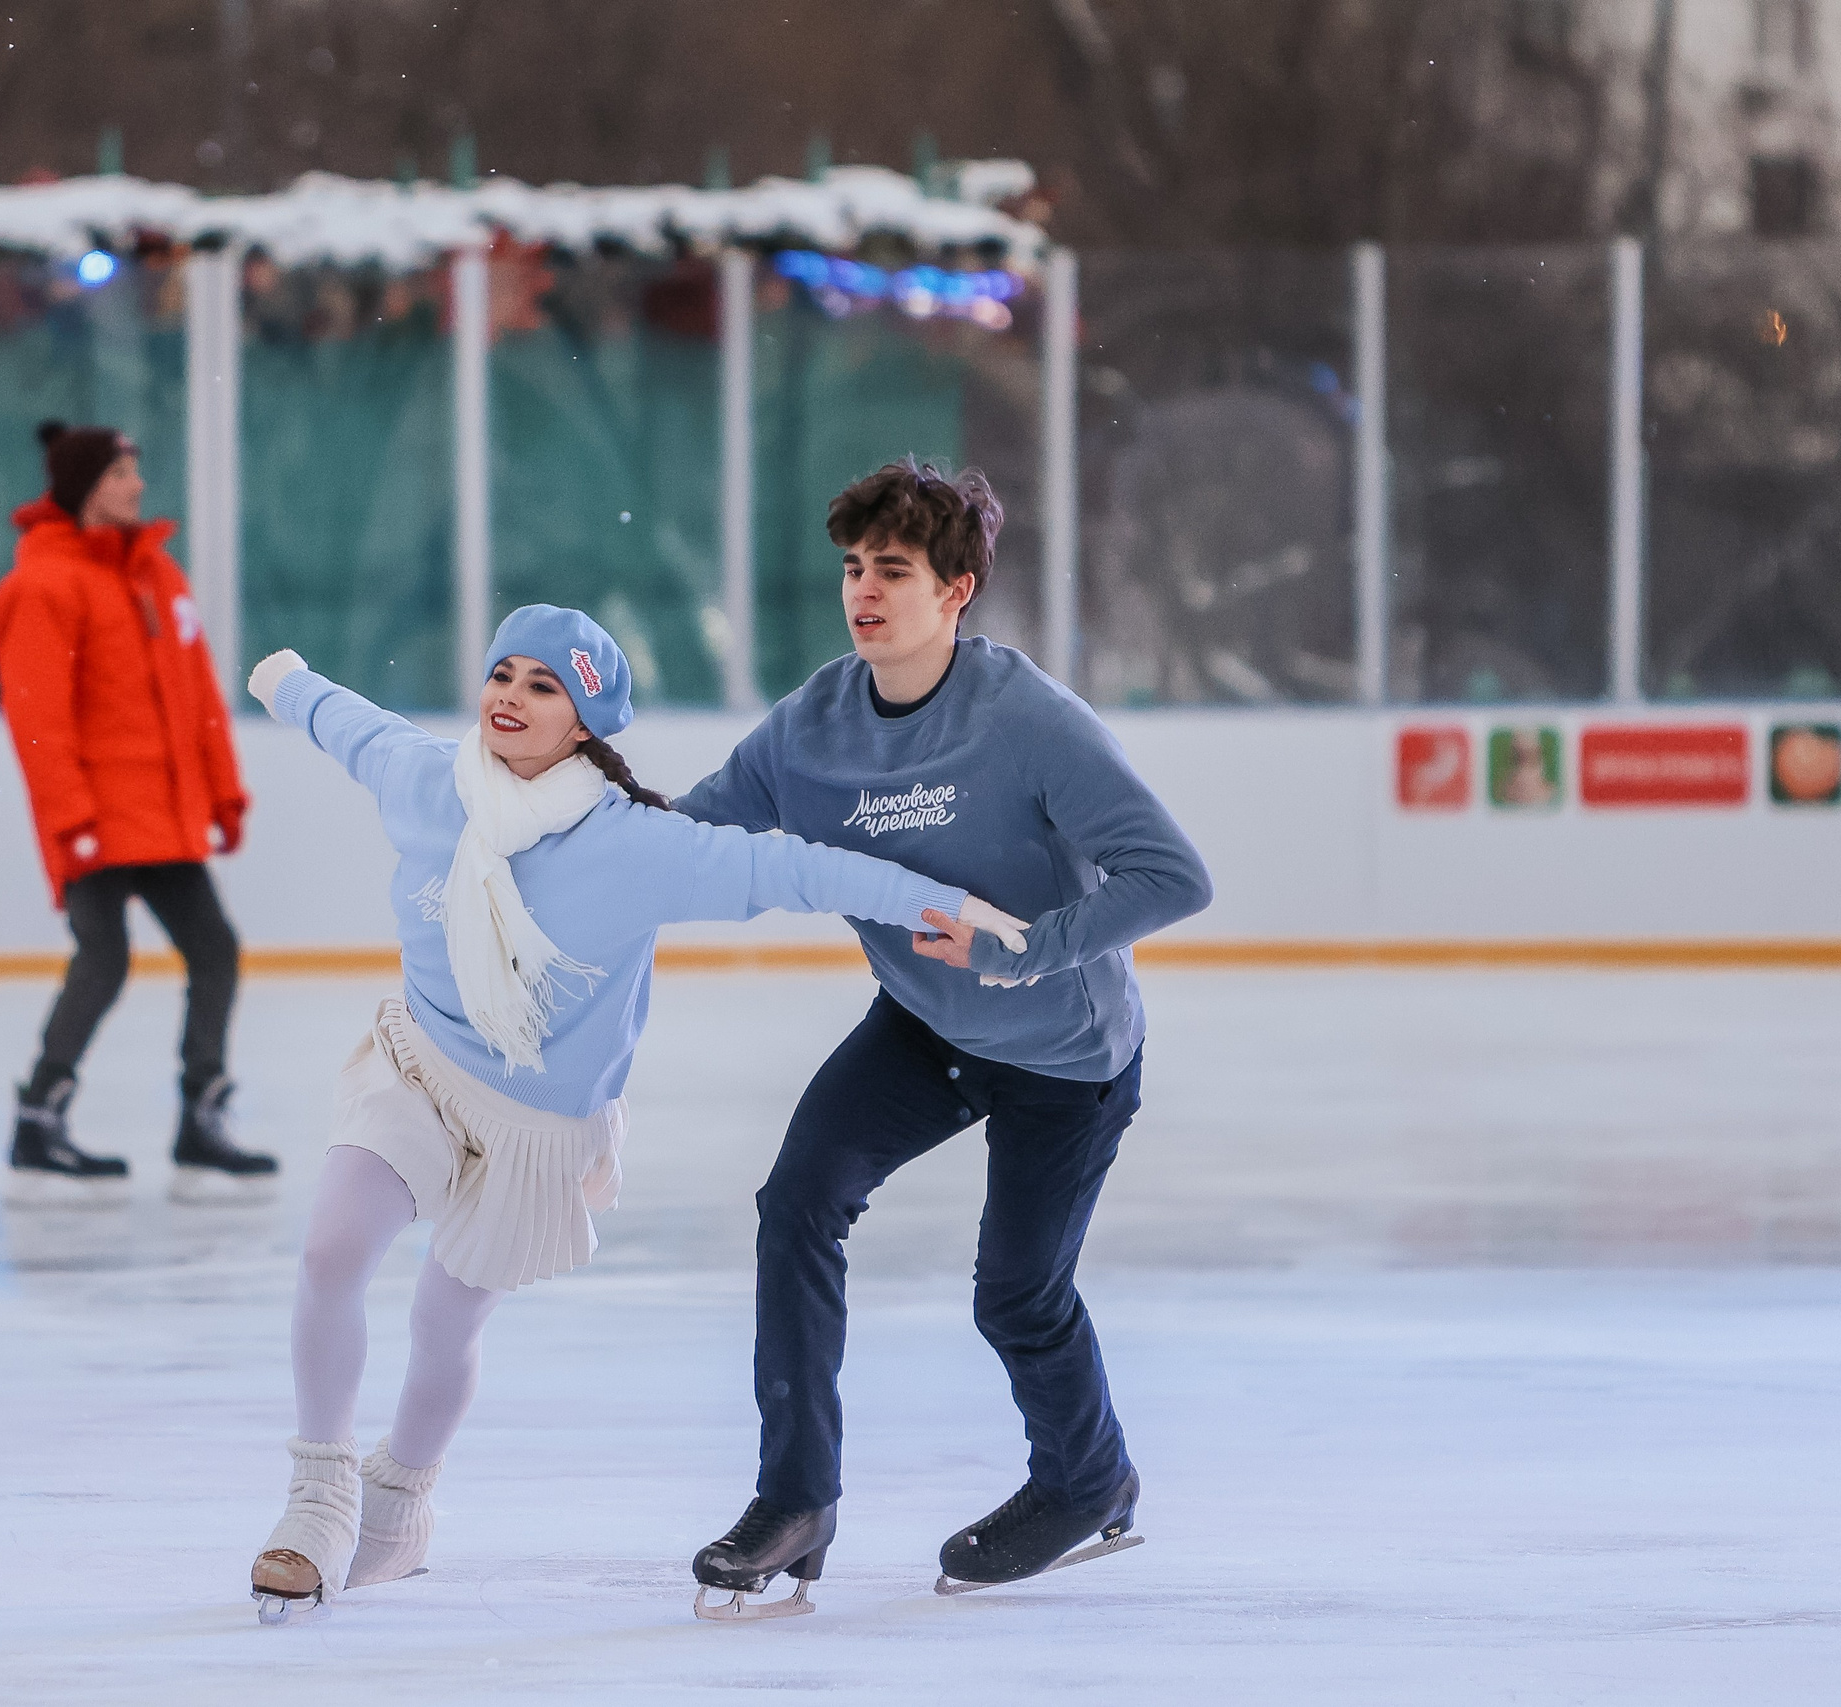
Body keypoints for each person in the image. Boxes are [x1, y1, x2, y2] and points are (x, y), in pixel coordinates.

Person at [239, 605, 1030, 1624]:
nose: (509, 698)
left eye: (541, 686)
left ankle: (400, 1500)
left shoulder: (641, 847)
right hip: (420, 1070)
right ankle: (316, 1498)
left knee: (443, 1323)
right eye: (502, 674)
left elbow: (793, 870)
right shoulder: (425, 779)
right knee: (331, 1250)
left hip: (541, 1128)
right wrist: (284, 675)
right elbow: (344, 721)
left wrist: (938, 903)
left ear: (583, 724)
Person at [675, 460, 1212, 1614]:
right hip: (922, 1027)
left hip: (1066, 1057)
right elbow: (692, 835)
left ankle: (1087, 1481)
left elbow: (1175, 876)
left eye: (896, 571)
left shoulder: (1024, 719)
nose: (865, 591)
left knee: (1015, 1297)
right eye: (854, 569)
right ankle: (795, 1499)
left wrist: (1027, 950)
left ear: (957, 589)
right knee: (797, 1203)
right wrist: (559, 816)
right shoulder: (812, 728)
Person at [0, 420, 276, 1206]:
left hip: (164, 812)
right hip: (98, 817)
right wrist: (71, 815)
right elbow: (37, 718)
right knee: (104, 957)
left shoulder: (157, 578)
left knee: (214, 949)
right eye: (120, 473)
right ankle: (39, 1116)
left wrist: (222, 789)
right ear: (86, 488)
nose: (136, 485)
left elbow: (199, 698)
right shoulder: (41, 587)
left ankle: (201, 1114)